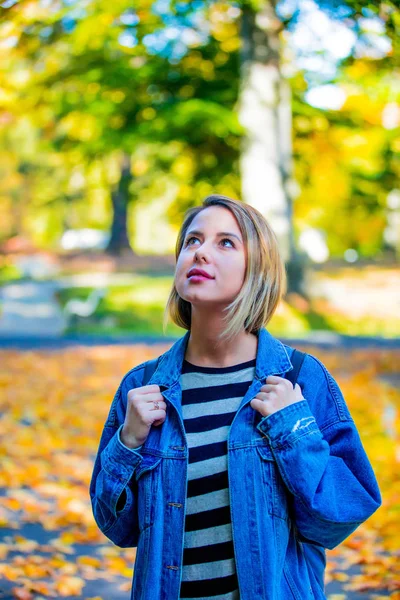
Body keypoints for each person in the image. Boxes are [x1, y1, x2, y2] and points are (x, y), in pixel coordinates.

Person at [89, 194, 382, 600]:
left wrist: (292, 433)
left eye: (225, 243)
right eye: (192, 241)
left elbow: (337, 518)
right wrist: (128, 443)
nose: (201, 253)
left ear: (257, 269)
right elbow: (116, 528)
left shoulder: (298, 380)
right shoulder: (143, 387)